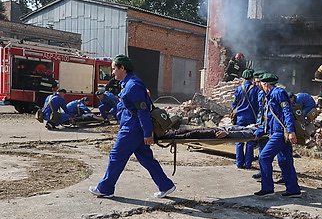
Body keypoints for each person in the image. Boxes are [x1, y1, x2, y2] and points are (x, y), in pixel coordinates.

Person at [89, 54, 175, 198]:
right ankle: (166, 185)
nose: (112, 72)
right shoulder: (128, 84)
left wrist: (148, 133)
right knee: (146, 159)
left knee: (116, 156)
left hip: (132, 129)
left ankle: (105, 188)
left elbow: (143, 111)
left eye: (114, 69)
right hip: (134, 128)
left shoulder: (133, 85)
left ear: (122, 68)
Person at [254, 73, 301, 197]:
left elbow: (287, 112)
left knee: (264, 157)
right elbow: (268, 117)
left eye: (262, 84)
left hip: (281, 132)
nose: (261, 86)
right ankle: (293, 190)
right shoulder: (269, 95)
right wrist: (260, 131)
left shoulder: (278, 93)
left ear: (266, 84)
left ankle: (267, 188)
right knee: (285, 161)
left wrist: (291, 131)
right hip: (275, 131)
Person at [231, 69, 259, 169]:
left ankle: (239, 163)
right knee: (250, 141)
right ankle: (248, 164)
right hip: (251, 117)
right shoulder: (256, 89)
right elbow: (259, 104)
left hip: (240, 118)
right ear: (252, 78)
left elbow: (234, 104)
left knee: (239, 140)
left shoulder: (238, 89)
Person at [252, 70, 267, 179]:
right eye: (256, 82)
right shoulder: (260, 92)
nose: (257, 84)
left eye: (258, 82)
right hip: (261, 124)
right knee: (262, 151)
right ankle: (262, 172)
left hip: (268, 126)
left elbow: (265, 112)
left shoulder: (266, 93)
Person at [161, 125, 258, 139]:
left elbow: (242, 134)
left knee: (193, 134)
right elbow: (239, 128)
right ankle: (165, 134)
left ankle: (165, 137)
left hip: (219, 133)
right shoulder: (255, 127)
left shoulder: (256, 132)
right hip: (219, 128)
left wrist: (227, 134)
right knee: (189, 130)